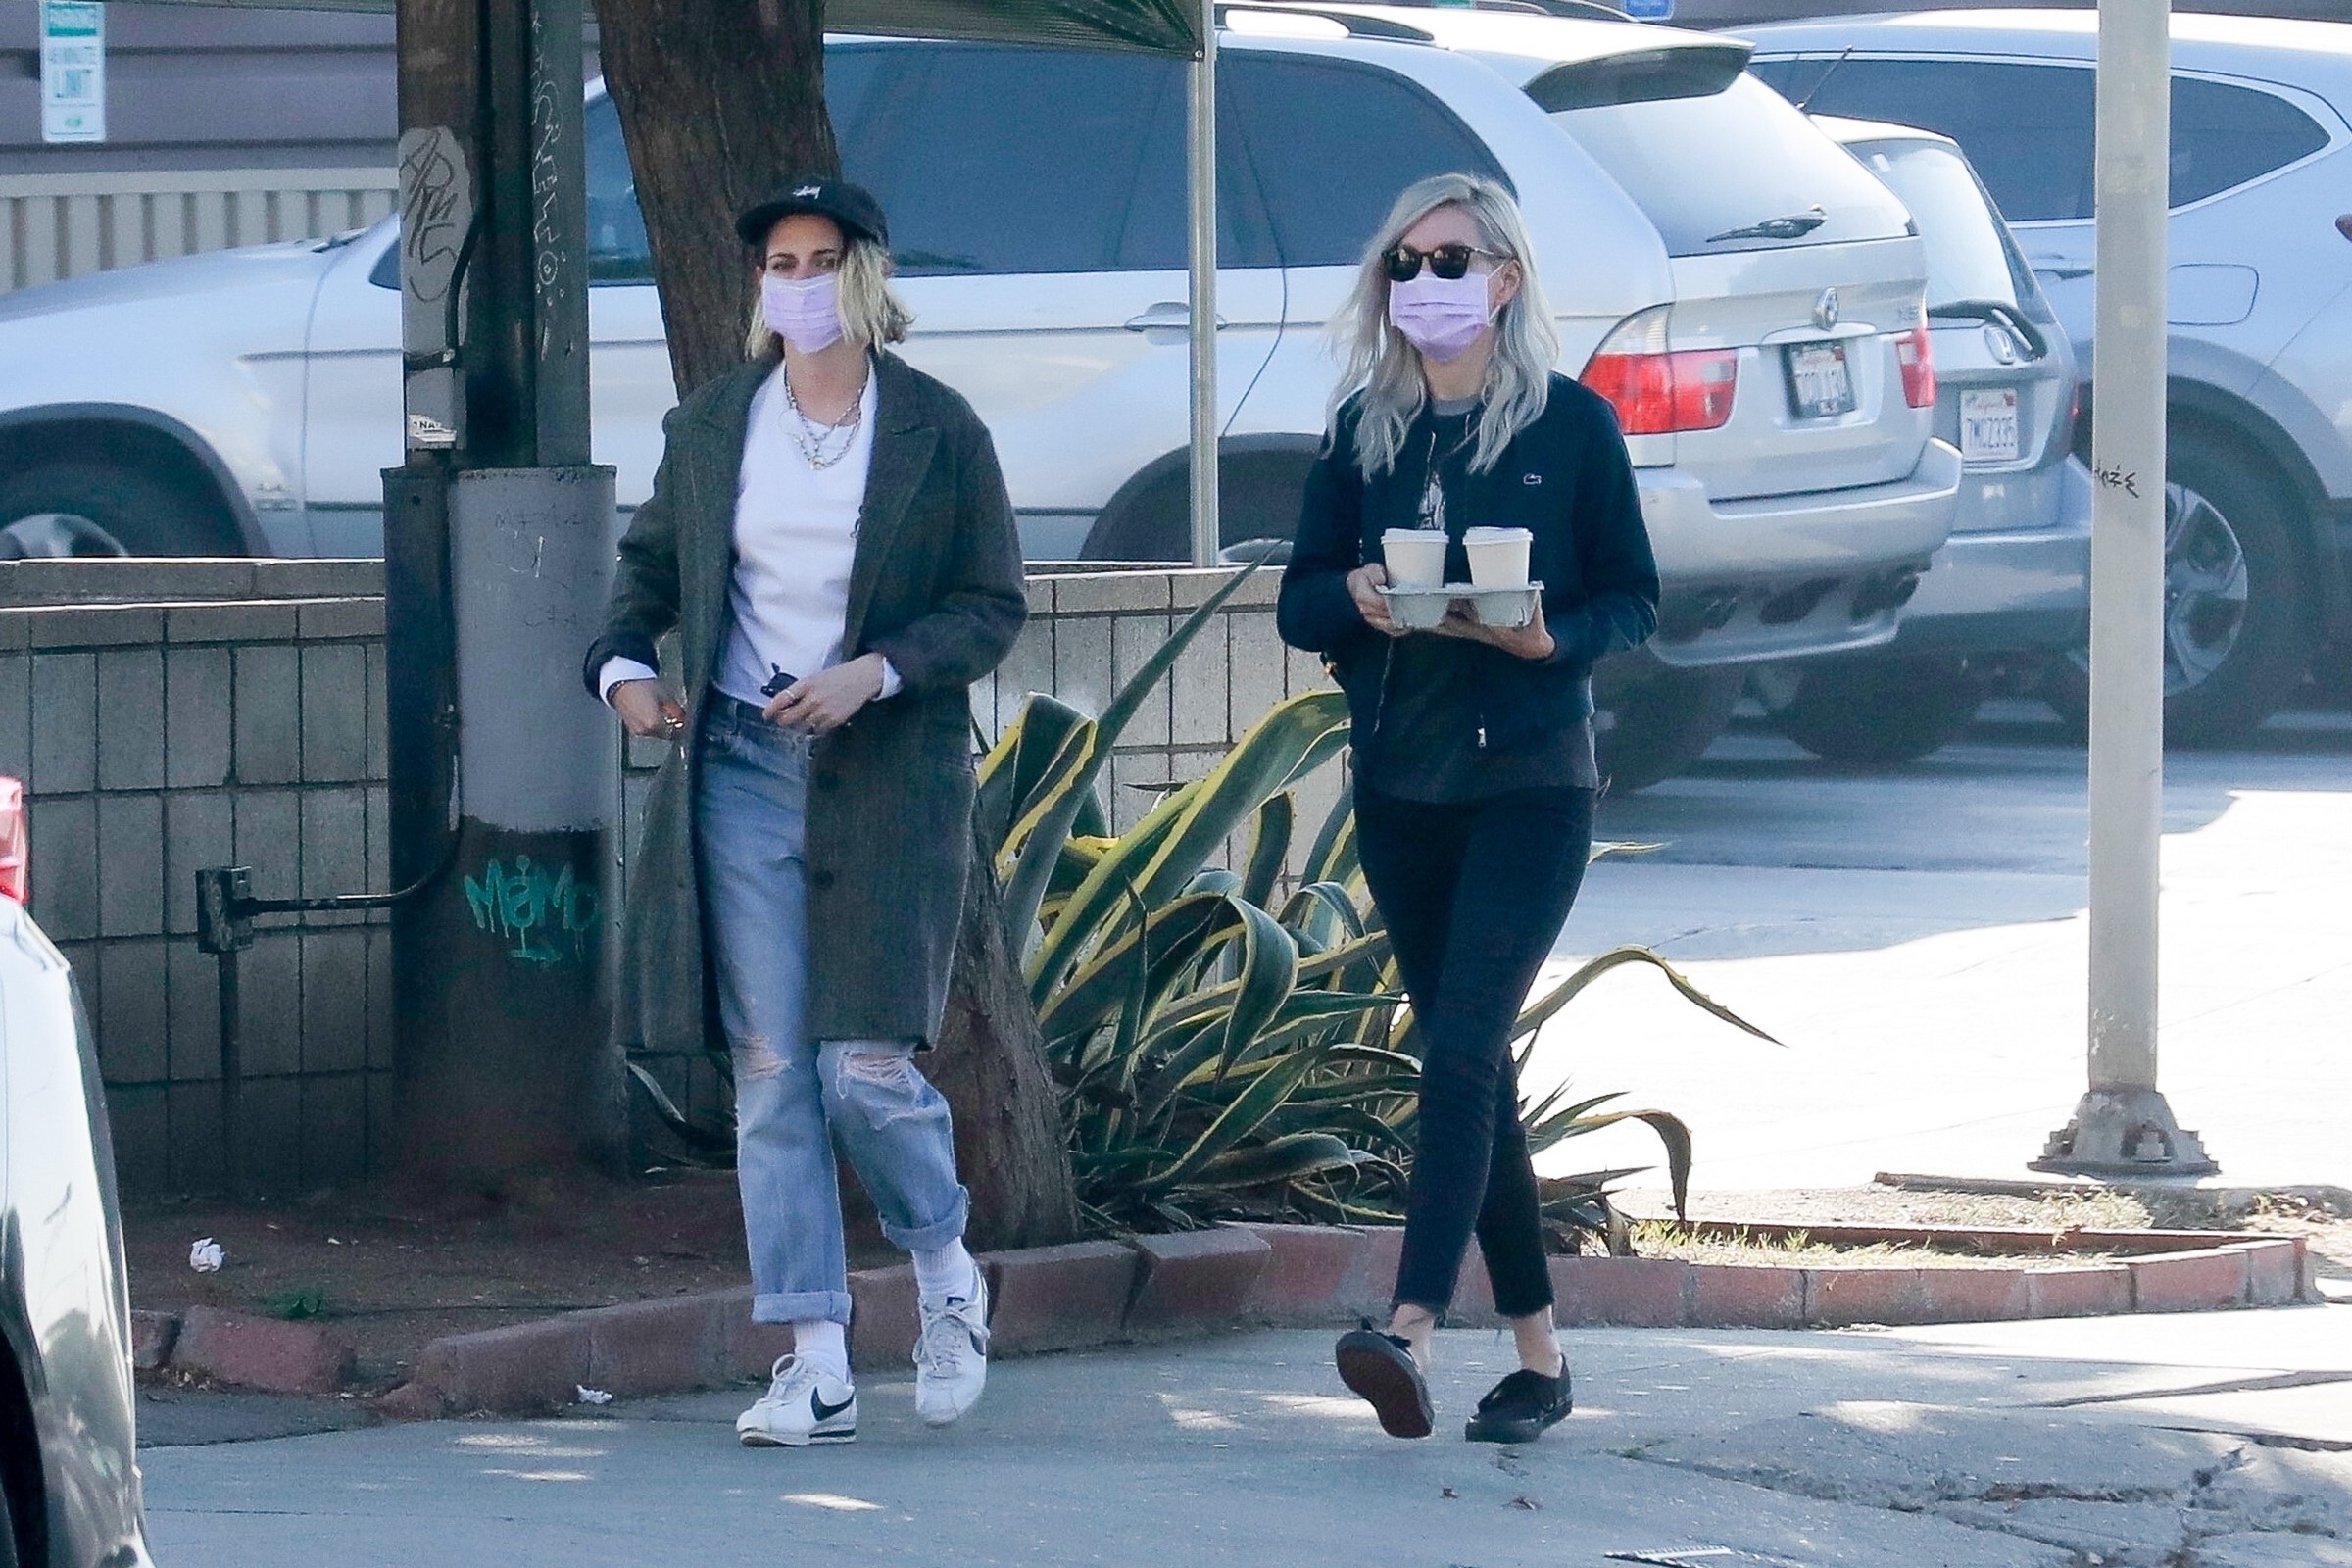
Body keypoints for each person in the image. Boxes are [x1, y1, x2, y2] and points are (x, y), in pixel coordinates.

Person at [584, 176, 1026, 1447]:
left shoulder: (938, 429)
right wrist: (623, 673)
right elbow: (646, 574)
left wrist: (873, 672)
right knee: (773, 1071)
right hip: (739, 761)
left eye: (822, 260)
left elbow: (990, 604)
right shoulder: (715, 424)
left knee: (863, 1066)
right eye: (779, 263)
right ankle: (815, 1359)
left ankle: (946, 1272)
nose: (799, 283)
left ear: (866, 276)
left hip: (884, 773)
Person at [1276, 172, 1660, 1445]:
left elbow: (1633, 597)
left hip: (1530, 782)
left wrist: (1553, 639)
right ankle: (1540, 1363)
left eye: (1452, 261)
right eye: (1406, 263)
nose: (1425, 283)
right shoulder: (1364, 430)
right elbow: (1298, 602)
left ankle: (1411, 1325)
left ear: (1505, 279)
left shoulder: (1572, 426)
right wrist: (1357, 599)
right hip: (1403, 783)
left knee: (1457, 1050)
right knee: (1469, 1060)